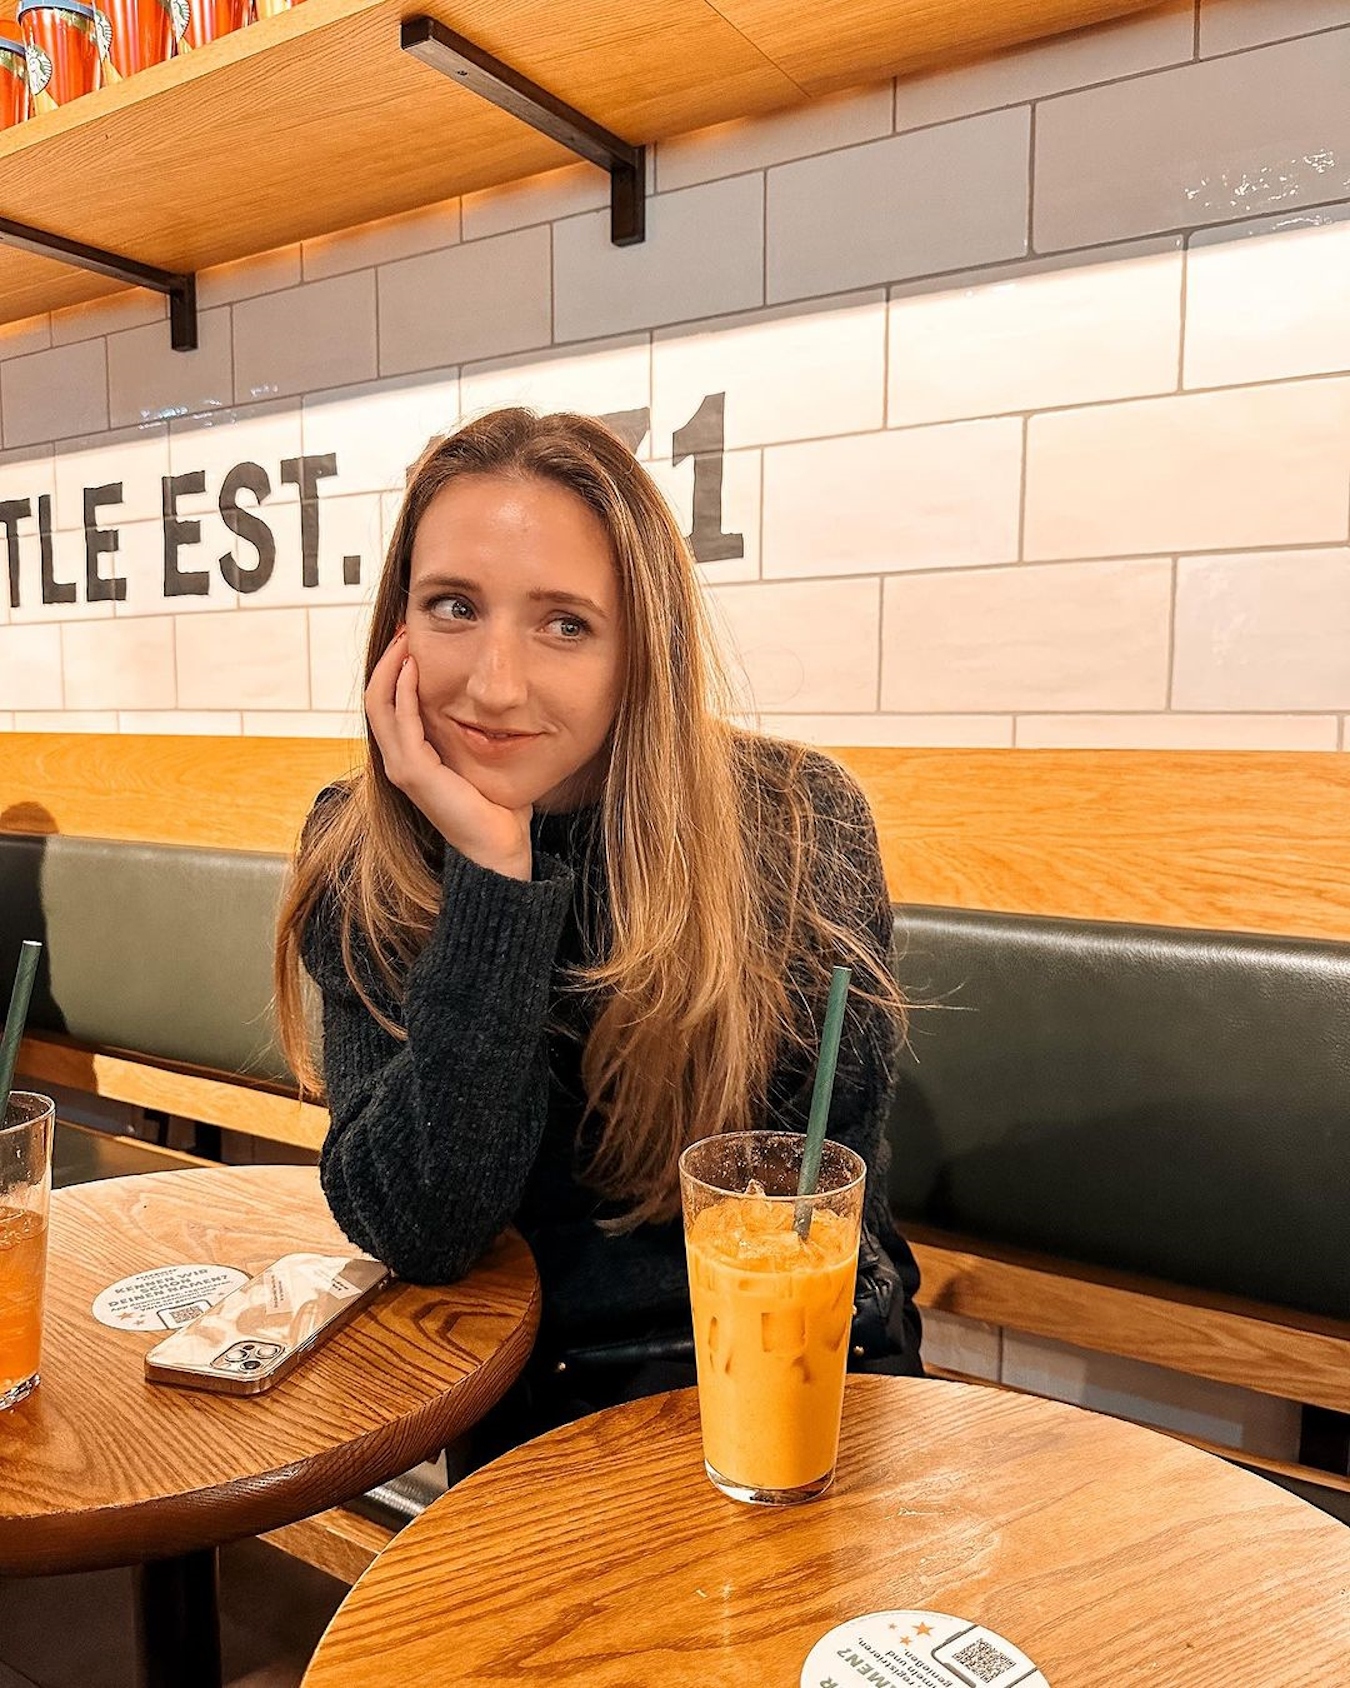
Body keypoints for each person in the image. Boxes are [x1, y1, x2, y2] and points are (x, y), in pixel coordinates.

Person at [274, 407, 922, 1451]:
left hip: (801, 1388)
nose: (495, 683)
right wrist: (494, 866)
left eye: (564, 623)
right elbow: (420, 1227)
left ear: (641, 649)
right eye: (452, 606)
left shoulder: (795, 825)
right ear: (398, 626)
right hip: (524, 1413)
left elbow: (810, 1210)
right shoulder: (361, 850)